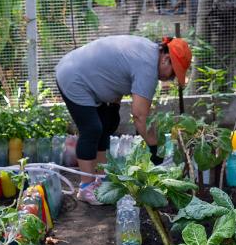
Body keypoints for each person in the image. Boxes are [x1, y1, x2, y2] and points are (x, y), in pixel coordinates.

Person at [54, 35, 192, 203]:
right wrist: (156, 151)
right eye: (173, 73)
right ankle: (85, 186)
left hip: (82, 74)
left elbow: (115, 73)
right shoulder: (148, 66)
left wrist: (114, 106)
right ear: (166, 59)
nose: (171, 78)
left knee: (106, 125)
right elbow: (140, 116)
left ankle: (100, 178)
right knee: (91, 129)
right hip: (73, 77)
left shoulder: (148, 52)